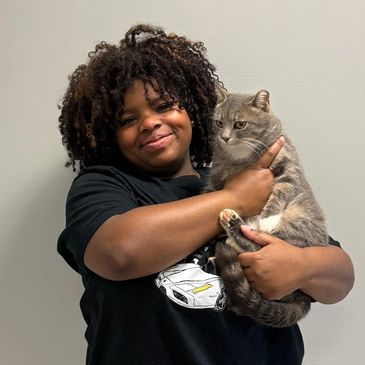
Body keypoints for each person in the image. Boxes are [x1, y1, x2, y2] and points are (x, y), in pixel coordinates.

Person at [57, 24, 354, 365]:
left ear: (194, 110)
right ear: (107, 135)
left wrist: (301, 267)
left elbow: (341, 277)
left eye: (164, 105)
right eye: (127, 119)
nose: (150, 123)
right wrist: (236, 200)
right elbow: (119, 253)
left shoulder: (248, 176)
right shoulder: (103, 186)